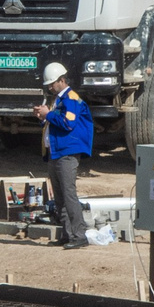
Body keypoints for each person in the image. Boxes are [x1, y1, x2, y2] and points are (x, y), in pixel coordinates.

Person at [36, 62, 93, 249]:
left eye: (52, 84)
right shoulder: (57, 100)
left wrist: (48, 115)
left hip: (67, 154)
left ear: (62, 80)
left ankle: (79, 235)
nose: (50, 87)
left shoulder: (71, 99)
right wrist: (44, 117)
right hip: (56, 153)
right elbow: (55, 123)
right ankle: (67, 234)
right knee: (60, 197)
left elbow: (68, 123)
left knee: (69, 195)